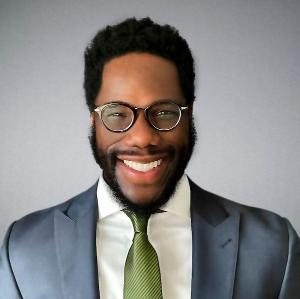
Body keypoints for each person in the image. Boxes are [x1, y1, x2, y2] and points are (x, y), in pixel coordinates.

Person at [0, 17, 299, 299]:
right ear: (93, 119)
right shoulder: (22, 249)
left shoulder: (275, 247)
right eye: (117, 113)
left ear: (189, 115)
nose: (142, 138)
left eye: (165, 112)